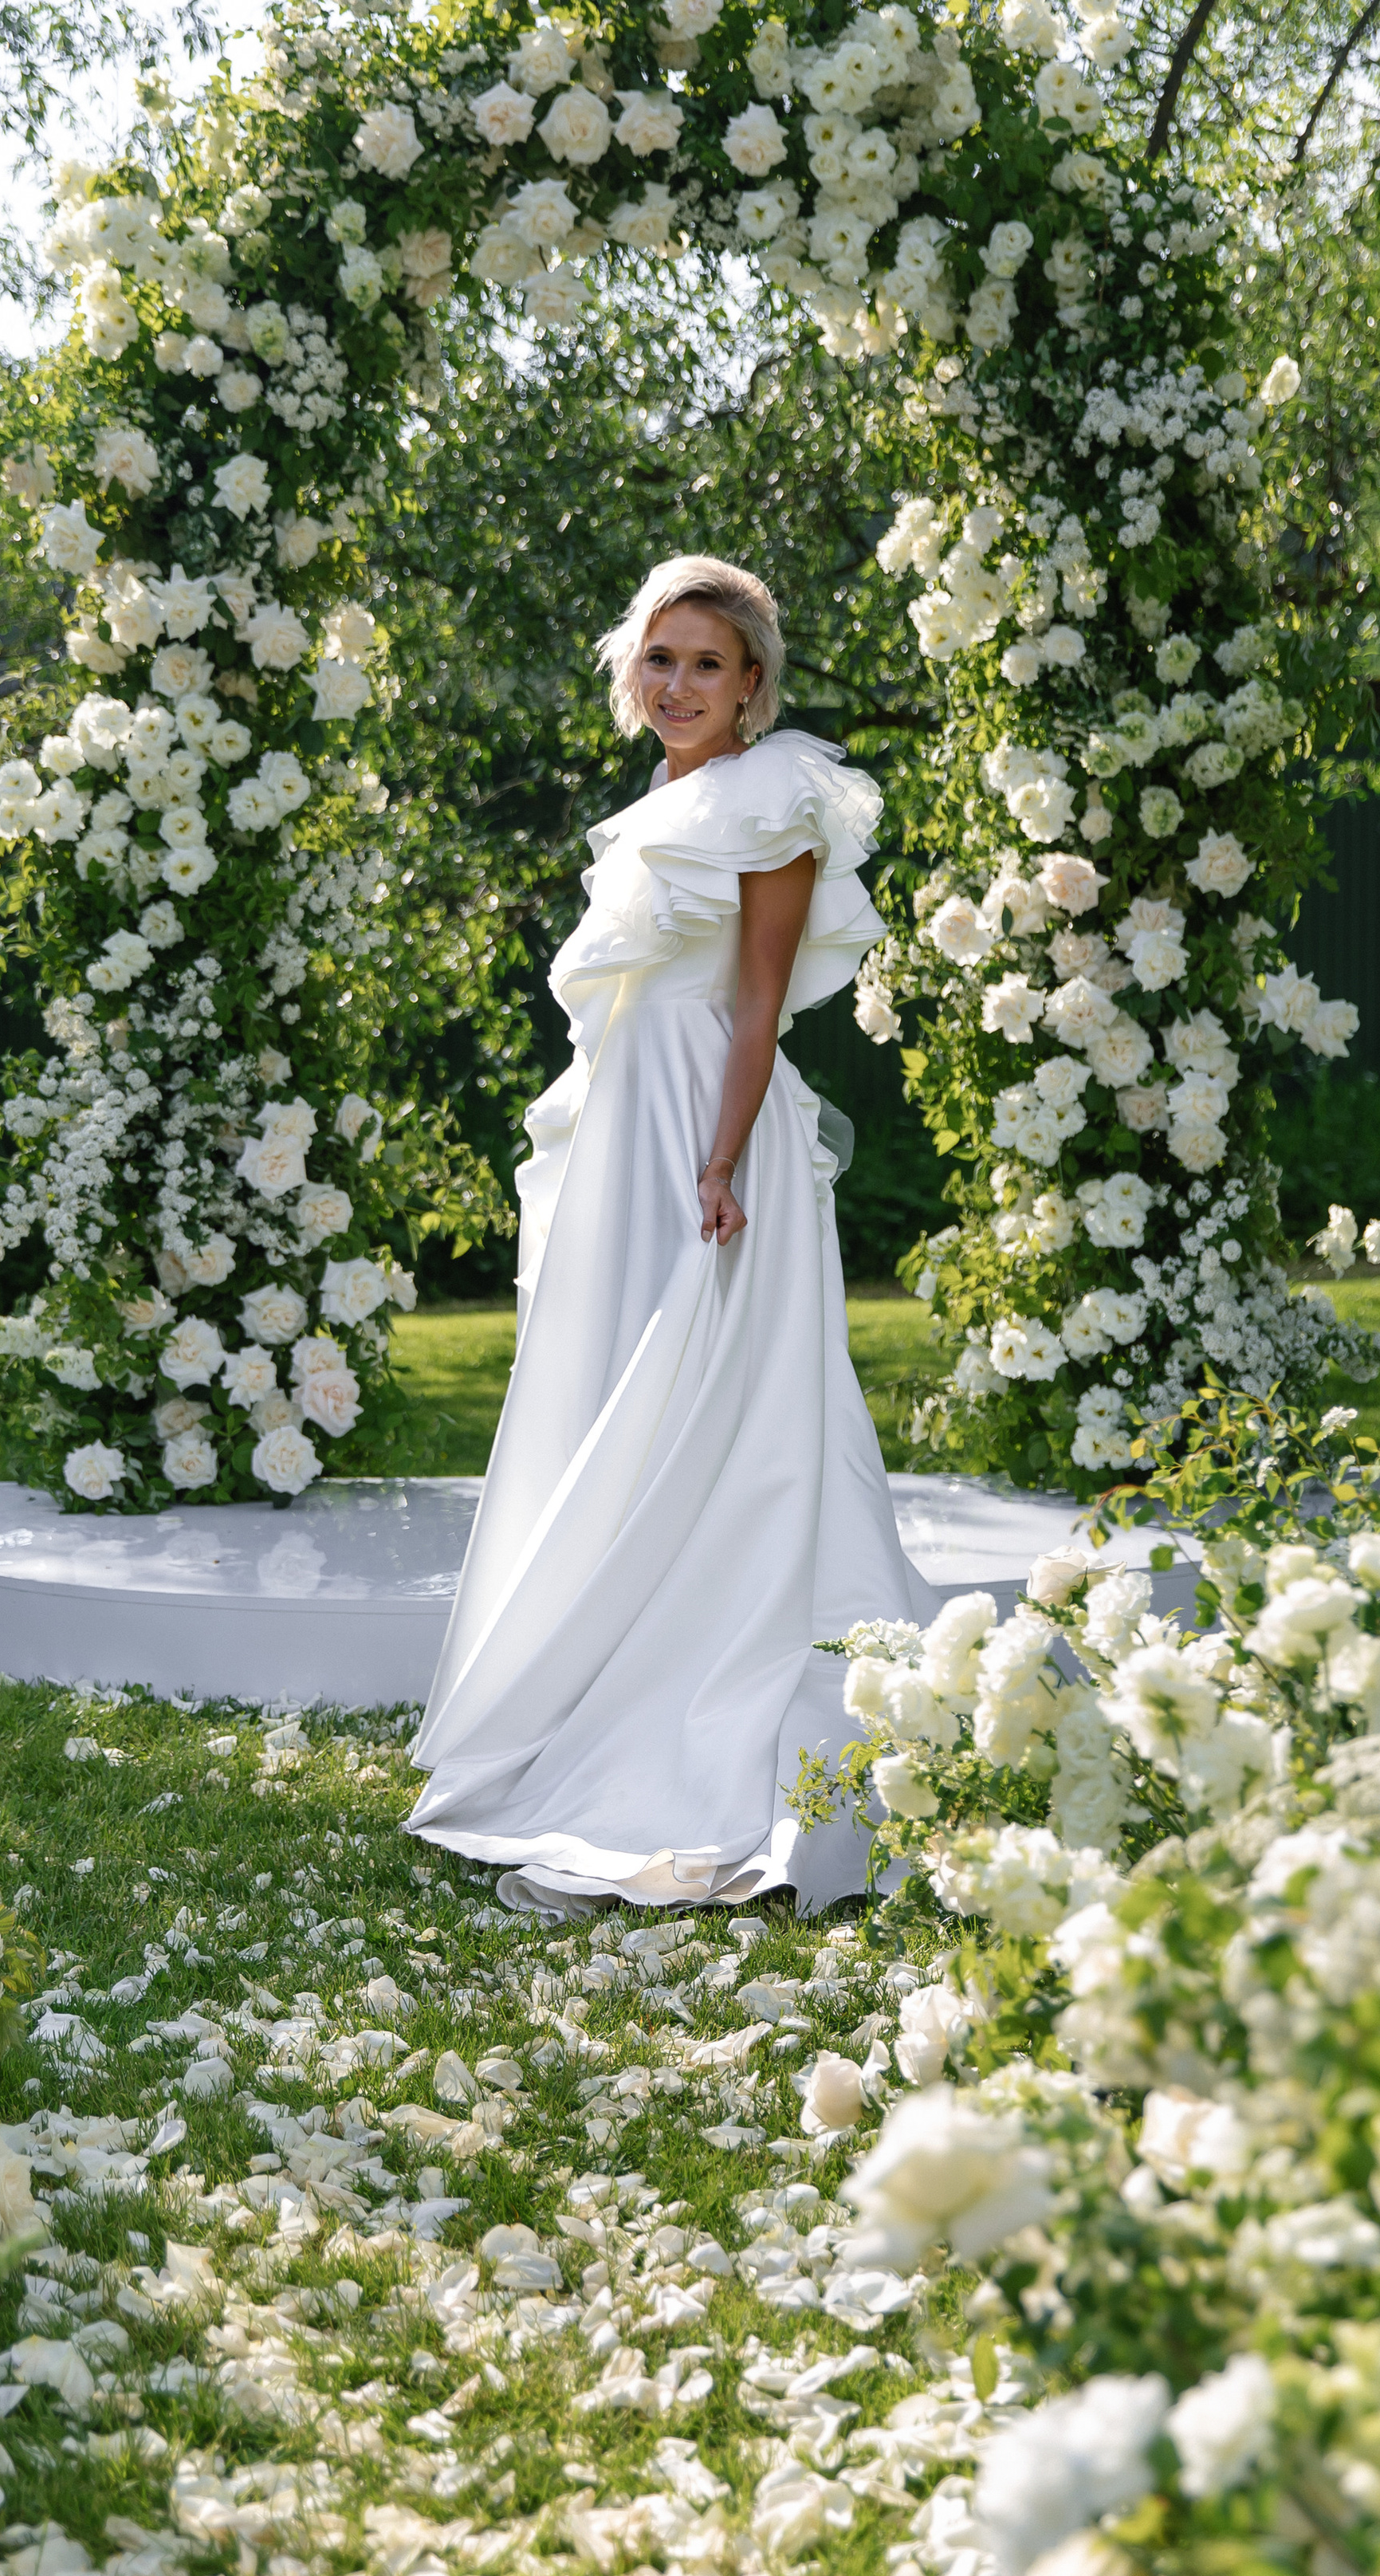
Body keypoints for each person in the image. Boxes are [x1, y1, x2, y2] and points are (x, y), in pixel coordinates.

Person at [408, 553, 926, 1910]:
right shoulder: (669, 796)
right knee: (612, 1402)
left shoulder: (777, 802)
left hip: (705, 1127)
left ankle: (693, 1735)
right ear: (632, 674)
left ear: (754, 684)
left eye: (709, 663)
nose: (680, 684)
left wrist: (720, 1156)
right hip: (628, 1125)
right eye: (661, 659)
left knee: (708, 1409)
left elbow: (757, 1004)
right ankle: (588, 1689)